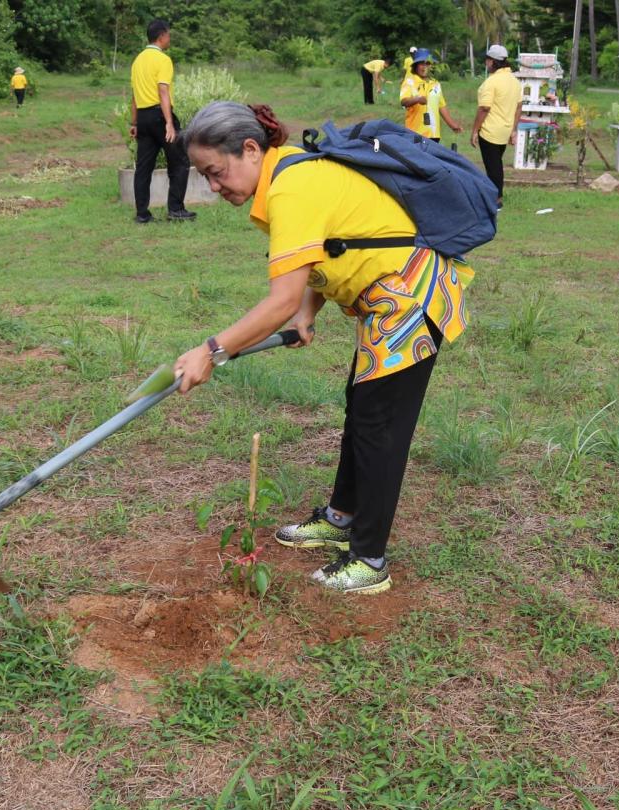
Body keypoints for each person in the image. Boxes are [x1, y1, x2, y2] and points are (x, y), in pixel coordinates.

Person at [174, 102, 473, 595]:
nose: (214, 186)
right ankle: (341, 516)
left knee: (379, 427)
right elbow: (330, 248)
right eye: (206, 176)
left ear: (250, 150)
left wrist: (210, 350)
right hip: (386, 302)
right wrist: (307, 314)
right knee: (362, 411)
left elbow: (280, 299)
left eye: (216, 172)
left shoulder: (291, 185)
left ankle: (369, 558)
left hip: (409, 299)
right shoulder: (287, 174)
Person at [129, 19, 194, 223]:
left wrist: (133, 123)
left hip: (143, 117)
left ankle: (142, 214)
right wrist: (168, 122)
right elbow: (163, 91)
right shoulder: (163, 60)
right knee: (180, 161)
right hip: (160, 116)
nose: (170, 38)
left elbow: (134, 95)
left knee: (143, 167)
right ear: (161, 36)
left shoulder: (138, 60)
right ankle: (175, 209)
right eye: (169, 35)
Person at [469, 44, 521, 209]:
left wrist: (475, 130)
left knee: (493, 167)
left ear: (492, 61)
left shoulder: (491, 82)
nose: (486, 63)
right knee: (496, 164)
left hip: (490, 131)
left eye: (487, 60)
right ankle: (493, 197)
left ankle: (496, 200)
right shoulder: (514, 81)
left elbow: (484, 108)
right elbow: (519, 107)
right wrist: (513, 129)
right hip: (505, 131)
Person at [399, 49, 461, 145]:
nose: (424, 67)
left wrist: (452, 125)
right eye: (421, 64)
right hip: (416, 133)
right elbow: (404, 101)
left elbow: (441, 106)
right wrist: (417, 99)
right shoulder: (409, 82)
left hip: (434, 134)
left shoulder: (435, 84)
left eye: (427, 64)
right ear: (415, 66)